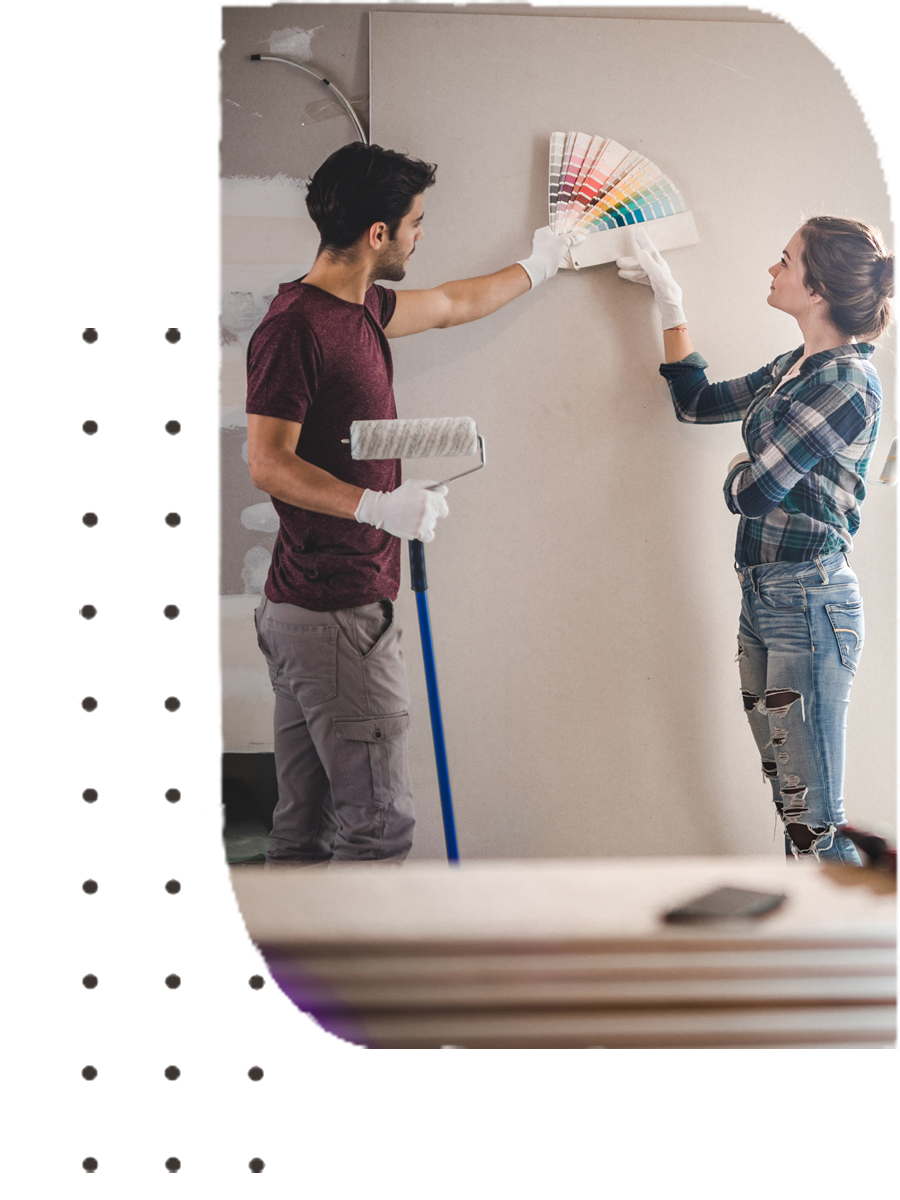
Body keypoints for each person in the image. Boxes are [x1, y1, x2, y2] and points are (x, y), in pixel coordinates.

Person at [245, 141, 582, 865]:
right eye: (416, 221)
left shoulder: (358, 306)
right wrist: (376, 507)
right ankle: (362, 981)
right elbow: (267, 463)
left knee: (305, 832)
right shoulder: (296, 327)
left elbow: (456, 303)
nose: (421, 233)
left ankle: (295, 973)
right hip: (334, 614)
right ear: (379, 235)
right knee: (377, 832)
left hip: (311, 611)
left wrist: (543, 261)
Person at [616, 217, 898, 864]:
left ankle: (853, 957)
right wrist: (671, 302)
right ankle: (816, 951)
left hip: (811, 605)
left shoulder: (847, 383)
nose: (773, 270)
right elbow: (695, 402)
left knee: (815, 822)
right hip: (764, 598)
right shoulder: (795, 367)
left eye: (785, 260)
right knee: (790, 805)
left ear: (818, 286)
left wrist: (741, 471)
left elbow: (752, 493)